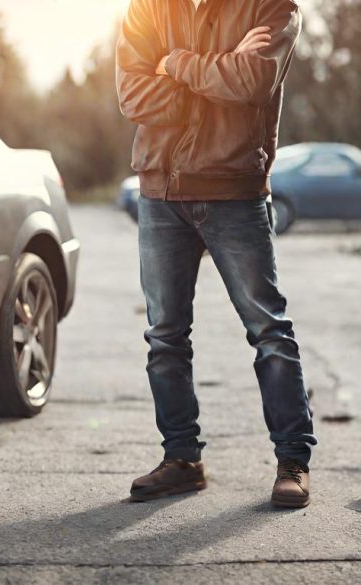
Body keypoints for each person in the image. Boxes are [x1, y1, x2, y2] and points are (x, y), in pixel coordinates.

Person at [115, 0, 315, 508]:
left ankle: (293, 459)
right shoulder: (147, 8)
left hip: (235, 189)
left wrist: (177, 63)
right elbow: (133, 96)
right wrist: (218, 77)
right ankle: (182, 458)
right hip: (159, 192)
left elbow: (252, 84)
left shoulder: (272, 6)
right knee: (165, 336)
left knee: (268, 330)